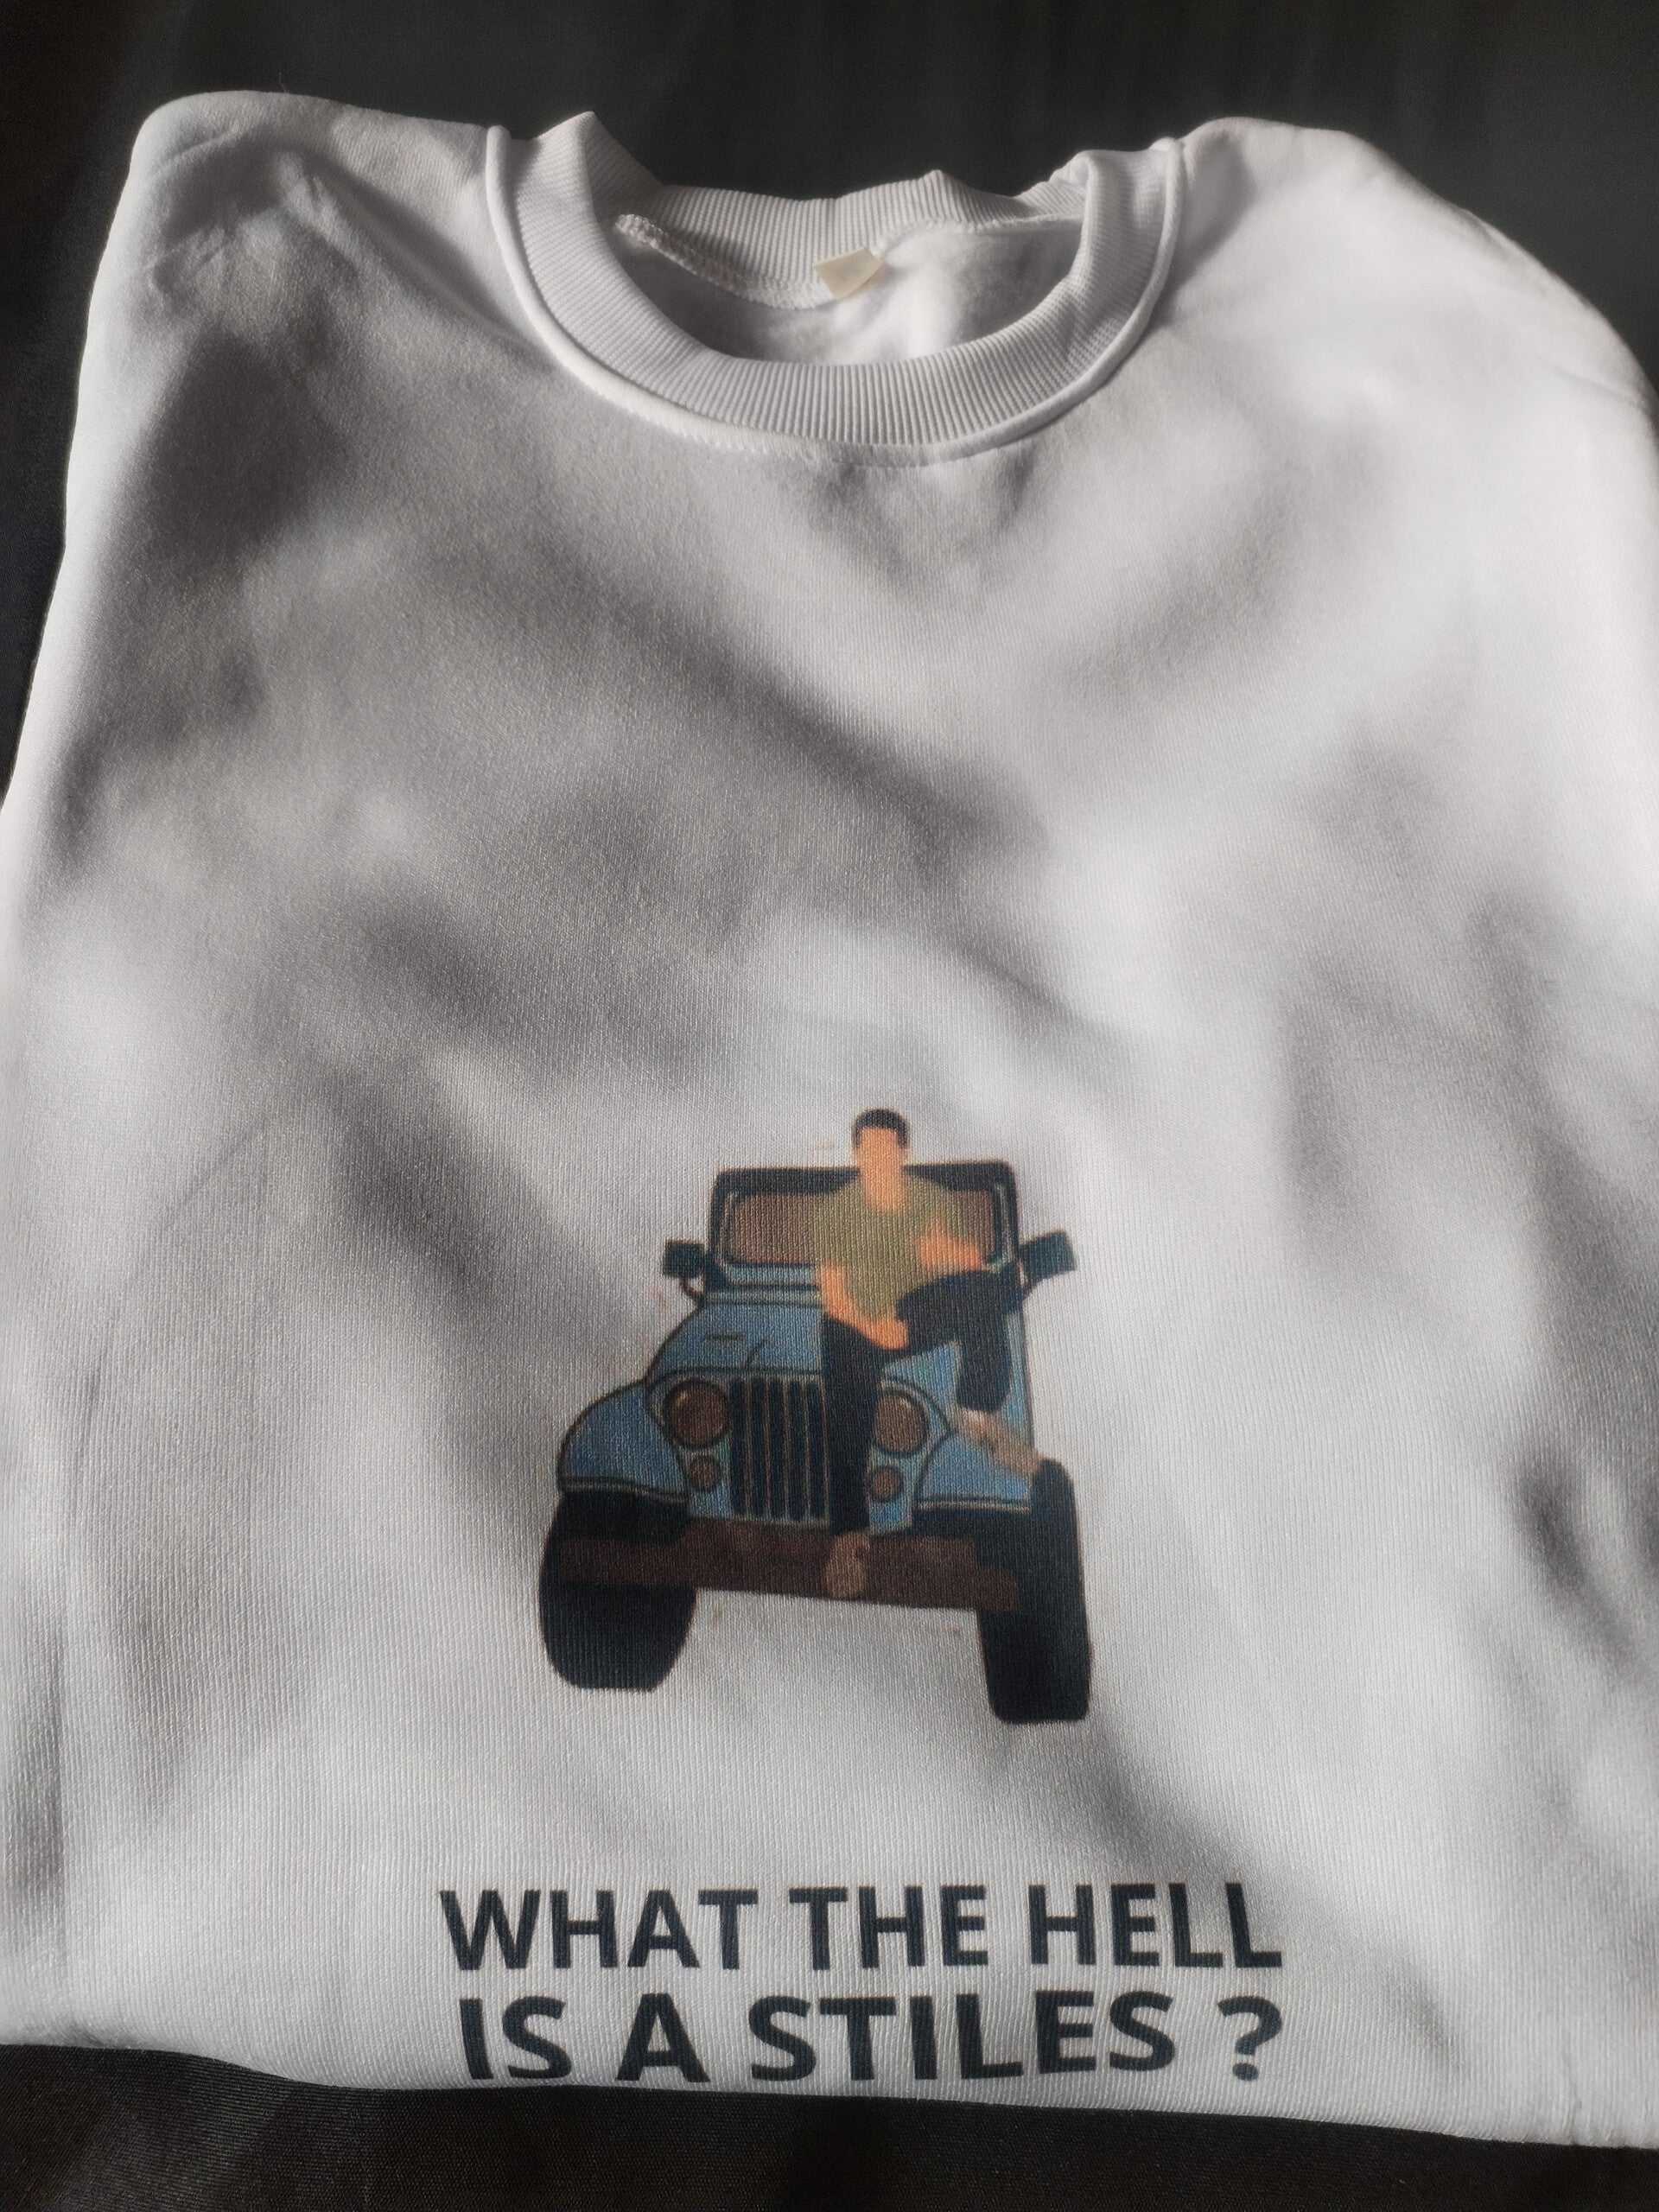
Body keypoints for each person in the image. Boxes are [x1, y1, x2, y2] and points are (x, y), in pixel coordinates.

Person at [811, 1109, 1041, 1599]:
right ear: (855, 1155)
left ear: (905, 1153)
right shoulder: (836, 1210)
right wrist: (876, 1329)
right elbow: (833, 1296)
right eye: (868, 1151)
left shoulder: (933, 1199)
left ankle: (976, 1413)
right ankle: (849, 1536)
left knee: (984, 1291)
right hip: (855, 1322)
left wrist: (949, 1253)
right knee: (846, 1393)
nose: (877, 1160)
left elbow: (966, 1268)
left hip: (913, 1311)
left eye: (887, 1150)